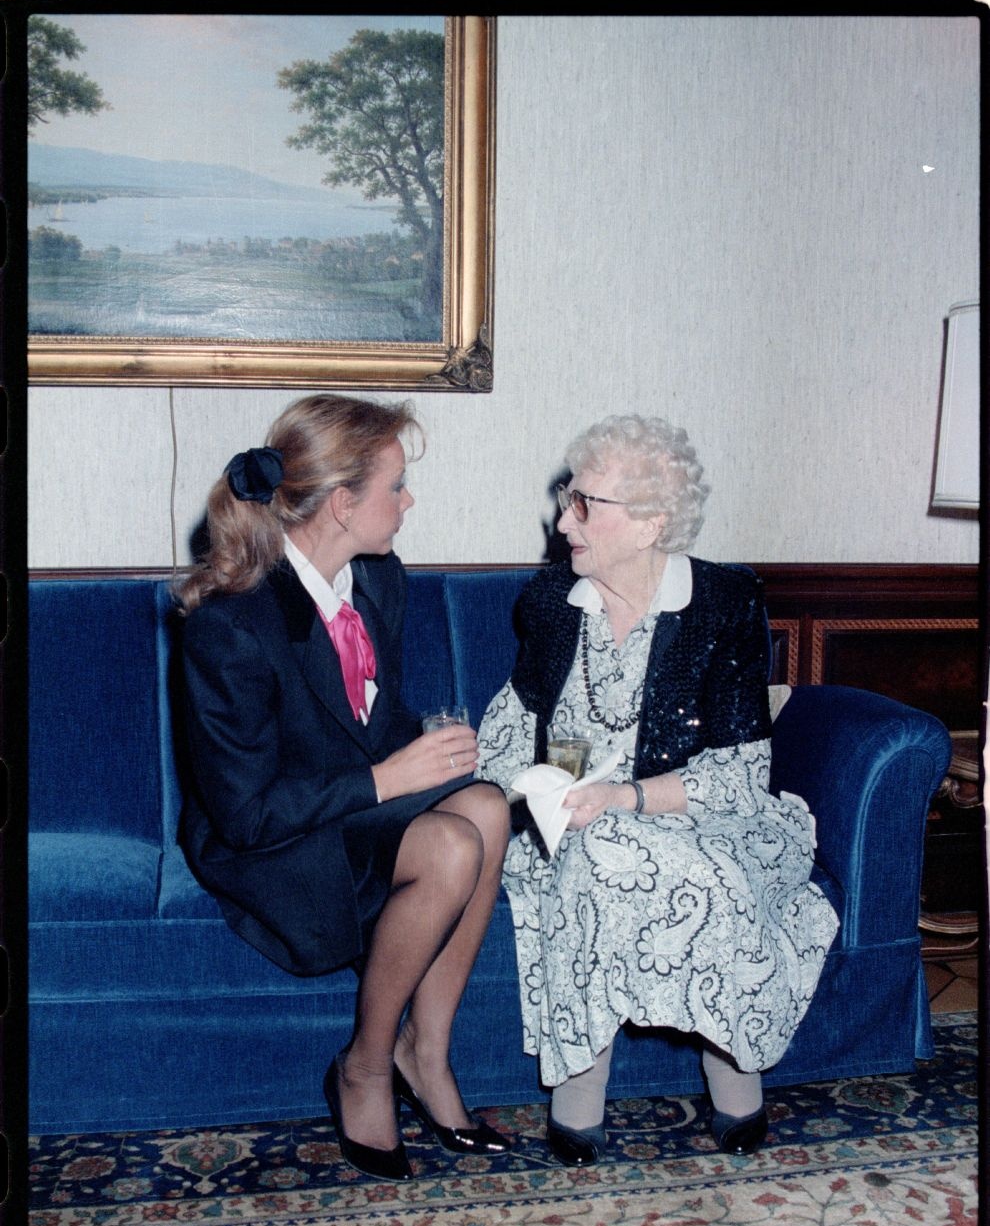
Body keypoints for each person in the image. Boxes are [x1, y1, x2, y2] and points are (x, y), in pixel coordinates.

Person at [477, 415, 838, 1165]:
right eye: (565, 498)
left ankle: (720, 1065)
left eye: (584, 505)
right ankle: (592, 1079)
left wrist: (626, 800)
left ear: (650, 523)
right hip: (577, 819)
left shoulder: (723, 603)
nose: (561, 519)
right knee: (593, 850)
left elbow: (741, 773)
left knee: (641, 854)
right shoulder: (551, 602)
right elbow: (522, 723)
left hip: (699, 816)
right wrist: (522, 798)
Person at [176, 395, 511, 1181]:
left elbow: (371, 717)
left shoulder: (379, 581)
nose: (408, 501)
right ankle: (365, 1065)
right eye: (396, 486)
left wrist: (433, 753)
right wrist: (390, 777)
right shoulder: (230, 625)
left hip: (348, 807)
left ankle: (426, 1055)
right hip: (270, 841)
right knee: (453, 845)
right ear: (341, 503)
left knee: (490, 806)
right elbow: (248, 813)